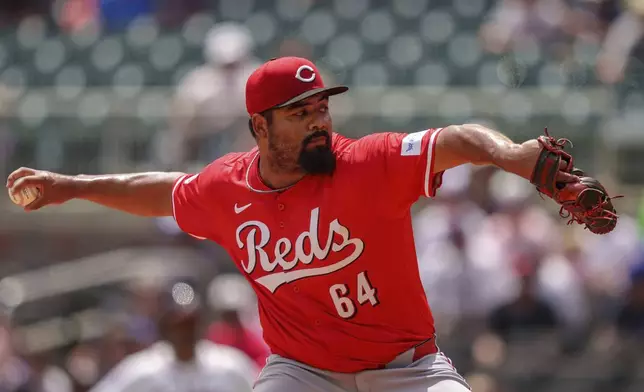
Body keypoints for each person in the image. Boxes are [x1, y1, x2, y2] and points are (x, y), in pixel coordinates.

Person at [6, 56, 607, 391]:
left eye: (321, 106)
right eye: (300, 113)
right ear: (260, 128)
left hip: (408, 369)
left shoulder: (366, 163)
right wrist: (69, 187)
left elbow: (455, 139)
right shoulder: (228, 187)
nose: (319, 120)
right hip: (303, 375)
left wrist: (513, 156)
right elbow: (161, 191)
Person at [88, 280, 257, 392]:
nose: (185, 332)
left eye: (191, 323)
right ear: (165, 327)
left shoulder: (230, 366)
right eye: (178, 325)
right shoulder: (142, 370)